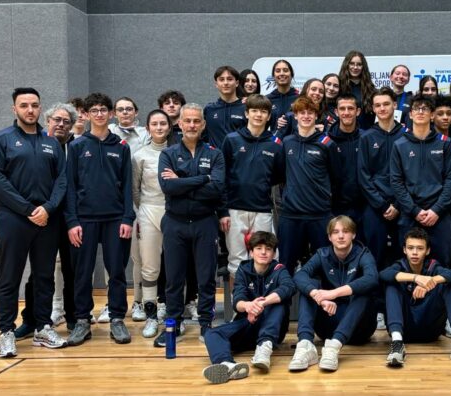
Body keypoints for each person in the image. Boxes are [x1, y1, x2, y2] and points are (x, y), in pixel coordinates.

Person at [0, 87, 69, 357]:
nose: (30, 110)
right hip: (13, 219)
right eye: (24, 105)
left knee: (44, 276)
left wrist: (47, 208)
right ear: (15, 109)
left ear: (40, 108)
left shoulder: (51, 143)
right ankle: (6, 332)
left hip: (47, 220)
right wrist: (28, 209)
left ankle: (43, 327)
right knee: (10, 276)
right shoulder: (1, 140)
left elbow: (61, 180)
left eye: (34, 105)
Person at [63, 93, 136, 346]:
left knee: (116, 271)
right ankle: (82, 320)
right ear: (86, 115)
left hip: (116, 219)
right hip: (84, 220)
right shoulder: (77, 146)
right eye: (94, 110)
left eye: (104, 109)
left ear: (111, 113)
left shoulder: (122, 147)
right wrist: (72, 222)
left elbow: (127, 187)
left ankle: (117, 318)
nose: (99, 114)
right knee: (82, 273)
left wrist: (127, 218)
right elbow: (70, 187)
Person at [154, 103, 226, 347]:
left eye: (197, 121)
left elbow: (216, 189)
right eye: (188, 121)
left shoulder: (215, 154)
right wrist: (203, 179)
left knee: (206, 278)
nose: (192, 125)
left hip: (205, 222)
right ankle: (173, 324)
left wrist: (183, 181)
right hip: (175, 223)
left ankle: (206, 324)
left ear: (203, 124)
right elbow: (168, 187)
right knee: (174, 279)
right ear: (180, 123)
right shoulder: (168, 154)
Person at [15, 103, 79, 339]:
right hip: (44, 216)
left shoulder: (78, 147)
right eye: (56, 120)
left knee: (72, 269)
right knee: (39, 272)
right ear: (47, 120)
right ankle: (30, 319)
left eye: (66, 121)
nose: (61, 124)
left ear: (72, 126)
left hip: (72, 217)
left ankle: (74, 318)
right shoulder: (36, 143)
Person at [202, 231, 294, 384]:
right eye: (258, 248)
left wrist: (262, 303)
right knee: (211, 333)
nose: (263, 252)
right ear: (251, 252)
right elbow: (238, 300)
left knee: (279, 302)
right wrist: (248, 306)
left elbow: (288, 287)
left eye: (268, 249)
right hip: (249, 323)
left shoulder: (279, 269)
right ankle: (227, 364)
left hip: (273, 327)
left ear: (273, 253)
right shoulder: (244, 270)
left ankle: (264, 346)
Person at [290, 216, 378, 372]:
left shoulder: (363, 254)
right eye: (336, 232)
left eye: (346, 231)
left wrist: (333, 293)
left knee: (364, 290)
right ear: (330, 237)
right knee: (309, 287)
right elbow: (300, 275)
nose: (341, 236)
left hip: (359, 329)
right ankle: (305, 345)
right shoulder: (322, 254)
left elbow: (372, 278)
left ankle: (334, 347)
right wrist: (318, 296)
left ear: (353, 235)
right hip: (328, 325)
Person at [382, 228, 451, 368]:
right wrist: (416, 278)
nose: (415, 252)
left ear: (427, 251)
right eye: (410, 248)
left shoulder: (433, 266)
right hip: (404, 330)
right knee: (392, 285)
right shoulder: (400, 265)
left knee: (449, 284)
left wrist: (430, 282)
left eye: (420, 248)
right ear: (404, 250)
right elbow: (384, 274)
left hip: (431, 330)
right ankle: (397, 344)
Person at [358, 87, 409, 330]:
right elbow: (363, 176)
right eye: (377, 105)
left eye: (386, 104)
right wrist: (381, 204)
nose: (382, 109)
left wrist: (398, 204)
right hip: (375, 208)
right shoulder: (367, 137)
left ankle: (403, 307)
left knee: (404, 257)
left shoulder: (406, 135)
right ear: (373, 108)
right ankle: (377, 310)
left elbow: (410, 175)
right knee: (375, 259)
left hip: (403, 206)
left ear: (394, 105)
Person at [390, 95, 451, 264]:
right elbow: (396, 182)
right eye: (416, 108)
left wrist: (436, 210)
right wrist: (415, 210)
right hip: (410, 214)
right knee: (409, 265)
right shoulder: (399, 145)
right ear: (411, 114)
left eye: (425, 108)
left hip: (439, 214)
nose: (420, 112)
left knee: (441, 264)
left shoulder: (445, 144)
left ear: (432, 115)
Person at [220, 94, 283, 279]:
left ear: (269, 116)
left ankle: (261, 298)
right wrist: (222, 210)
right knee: (236, 262)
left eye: (263, 111)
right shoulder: (231, 139)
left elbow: (278, 176)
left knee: (265, 259)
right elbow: (222, 176)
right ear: (246, 113)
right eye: (254, 110)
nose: (258, 115)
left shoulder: (276, 144)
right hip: (234, 208)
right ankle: (240, 298)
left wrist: (259, 185)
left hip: (262, 209)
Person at [277, 96, 337, 270]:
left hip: (319, 214)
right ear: (295, 116)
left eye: (310, 113)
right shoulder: (287, 142)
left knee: (326, 266)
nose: (306, 116)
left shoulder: (327, 144)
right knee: (285, 265)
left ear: (316, 115)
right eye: (301, 112)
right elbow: (281, 175)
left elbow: (337, 177)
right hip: (291, 215)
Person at [106, 96, 149, 322]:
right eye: (120, 109)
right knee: (112, 257)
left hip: (139, 201)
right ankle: (110, 303)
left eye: (129, 109)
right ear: (114, 113)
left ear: (136, 112)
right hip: (114, 201)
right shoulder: (108, 133)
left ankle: (138, 302)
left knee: (138, 256)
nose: (125, 112)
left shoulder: (145, 134)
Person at [132, 109, 172, 338]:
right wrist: (146, 209)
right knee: (150, 267)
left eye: (163, 123)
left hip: (173, 212)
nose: (159, 127)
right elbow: (135, 190)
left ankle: (171, 312)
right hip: (148, 211)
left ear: (169, 127)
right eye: (154, 124)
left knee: (175, 265)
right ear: (148, 128)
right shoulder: (140, 156)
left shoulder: (177, 152)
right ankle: (151, 316)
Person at [329, 93, 365, 226]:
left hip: (363, 206)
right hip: (334, 207)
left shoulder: (366, 138)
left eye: (350, 108)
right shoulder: (327, 141)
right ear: (336, 112)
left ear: (358, 111)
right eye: (342, 109)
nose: (346, 112)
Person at [203, 65, 248, 147]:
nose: (226, 83)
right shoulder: (209, 109)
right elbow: (203, 137)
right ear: (216, 84)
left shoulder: (246, 108)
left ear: (237, 83)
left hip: (240, 155)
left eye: (230, 79)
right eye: (221, 79)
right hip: (216, 155)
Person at [339, 50, 378, 128]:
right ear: (346, 65)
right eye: (352, 63)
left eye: (359, 64)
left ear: (363, 67)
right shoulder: (338, 87)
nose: (355, 67)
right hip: (343, 133)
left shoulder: (371, 89)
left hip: (367, 132)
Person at [267, 59, 298, 131]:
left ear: (291, 74)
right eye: (278, 71)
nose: (281, 73)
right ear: (273, 76)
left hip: (295, 138)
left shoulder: (300, 98)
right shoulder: (267, 99)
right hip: (274, 138)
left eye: (285, 70)